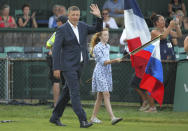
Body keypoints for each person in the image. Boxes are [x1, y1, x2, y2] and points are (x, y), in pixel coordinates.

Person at [49, 5, 103, 128]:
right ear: (68, 15)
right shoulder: (62, 29)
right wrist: (56, 68)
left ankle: (54, 117)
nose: (75, 17)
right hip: (68, 67)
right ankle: (83, 120)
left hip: (80, 65)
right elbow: (56, 50)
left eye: (77, 15)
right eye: (73, 15)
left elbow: (97, 28)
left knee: (67, 93)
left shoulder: (83, 26)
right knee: (75, 92)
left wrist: (99, 17)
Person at [89, 28, 123, 124]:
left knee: (100, 96)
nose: (106, 37)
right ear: (100, 37)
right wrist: (115, 60)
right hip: (100, 73)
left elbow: (107, 61)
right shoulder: (97, 48)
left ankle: (93, 118)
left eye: (107, 35)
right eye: (104, 35)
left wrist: (114, 60)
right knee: (106, 94)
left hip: (107, 72)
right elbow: (103, 62)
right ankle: (112, 118)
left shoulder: (107, 46)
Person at [46, 15, 68, 108]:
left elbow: (48, 44)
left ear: (61, 23)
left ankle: (56, 104)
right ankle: (64, 104)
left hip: (57, 59)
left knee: (56, 81)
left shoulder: (58, 32)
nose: (57, 24)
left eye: (58, 22)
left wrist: (52, 48)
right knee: (67, 83)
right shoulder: (72, 32)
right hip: (68, 60)